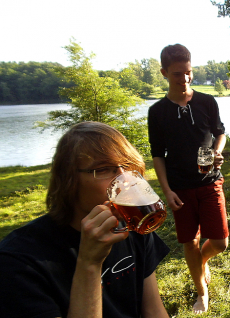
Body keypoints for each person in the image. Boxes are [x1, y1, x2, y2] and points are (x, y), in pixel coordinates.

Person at [0, 122, 171, 318]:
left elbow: (153, 311)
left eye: (127, 166)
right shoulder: (19, 261)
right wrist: (89, 264)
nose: (125, 181)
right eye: (104, 169)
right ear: (69, 180)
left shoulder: (131, 227)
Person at [148, 44, 229, 314]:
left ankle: (202, 262)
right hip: (180, 188)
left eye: (188, 72)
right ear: (164, 73)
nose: (184, 79)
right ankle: (202, 292)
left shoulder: (207, 101)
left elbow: (220, 133)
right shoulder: (157, 112)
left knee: (219, 242)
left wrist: (217, 152)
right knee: (189, 242)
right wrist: (166, 190)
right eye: (177, 74)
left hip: (209, 181)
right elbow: (158, 155)